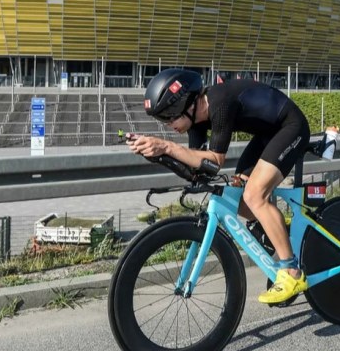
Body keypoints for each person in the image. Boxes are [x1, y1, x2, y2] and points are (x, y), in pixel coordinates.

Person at [127, 68, 311, 304]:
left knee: (256, 196)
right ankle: (279, 229)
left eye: (169, 117)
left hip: (290, 127)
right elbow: (202, 169)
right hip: (267, 135)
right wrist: (155, 155)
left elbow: (216, 160)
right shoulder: (196, 122)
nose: (167, 125)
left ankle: (292, 273)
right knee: (239, 198)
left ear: (185, 104)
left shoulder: (220, 102)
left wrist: (167, 147)